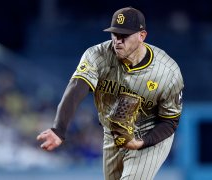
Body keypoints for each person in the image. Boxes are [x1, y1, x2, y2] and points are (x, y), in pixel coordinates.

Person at [37, 6, 184, 180]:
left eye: (124, 35)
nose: (118, 41)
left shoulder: (167, 71)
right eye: (115, 34)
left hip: (149, 132)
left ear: (142, 36)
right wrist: (59, 129)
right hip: (112, 131)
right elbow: (76, 88)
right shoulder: (97, 55)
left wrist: (140, 143)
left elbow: (170, 122)